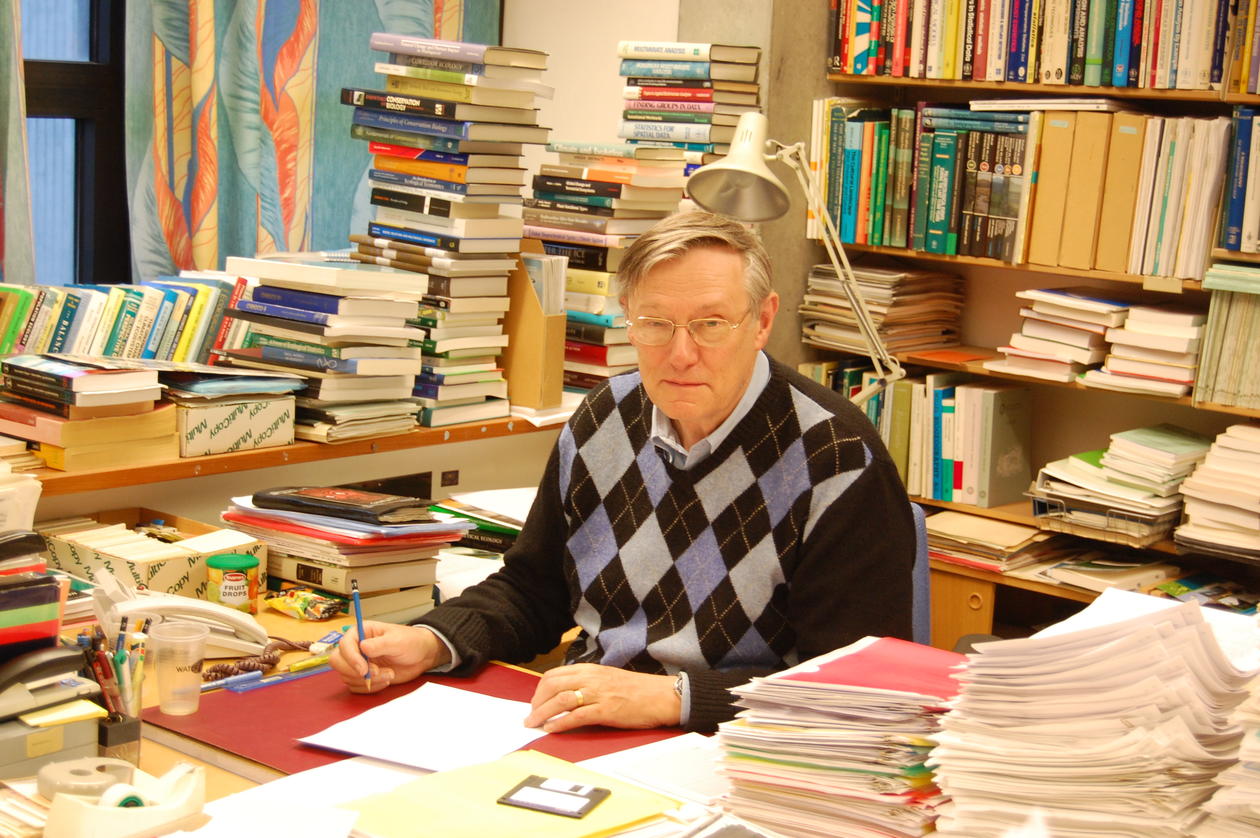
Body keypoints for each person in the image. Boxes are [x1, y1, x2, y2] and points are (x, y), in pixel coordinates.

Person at [331, 210, 915, 733]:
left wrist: (676, 699)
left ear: (761, 321)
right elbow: (535, 588)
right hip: (586, 722)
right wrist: (433, 639)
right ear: (628, 320)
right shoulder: (603, 418)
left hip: (739, 754)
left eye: (711, 324)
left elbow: (855, 691)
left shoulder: (837, 456)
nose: (681, 354)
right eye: (656, 323)